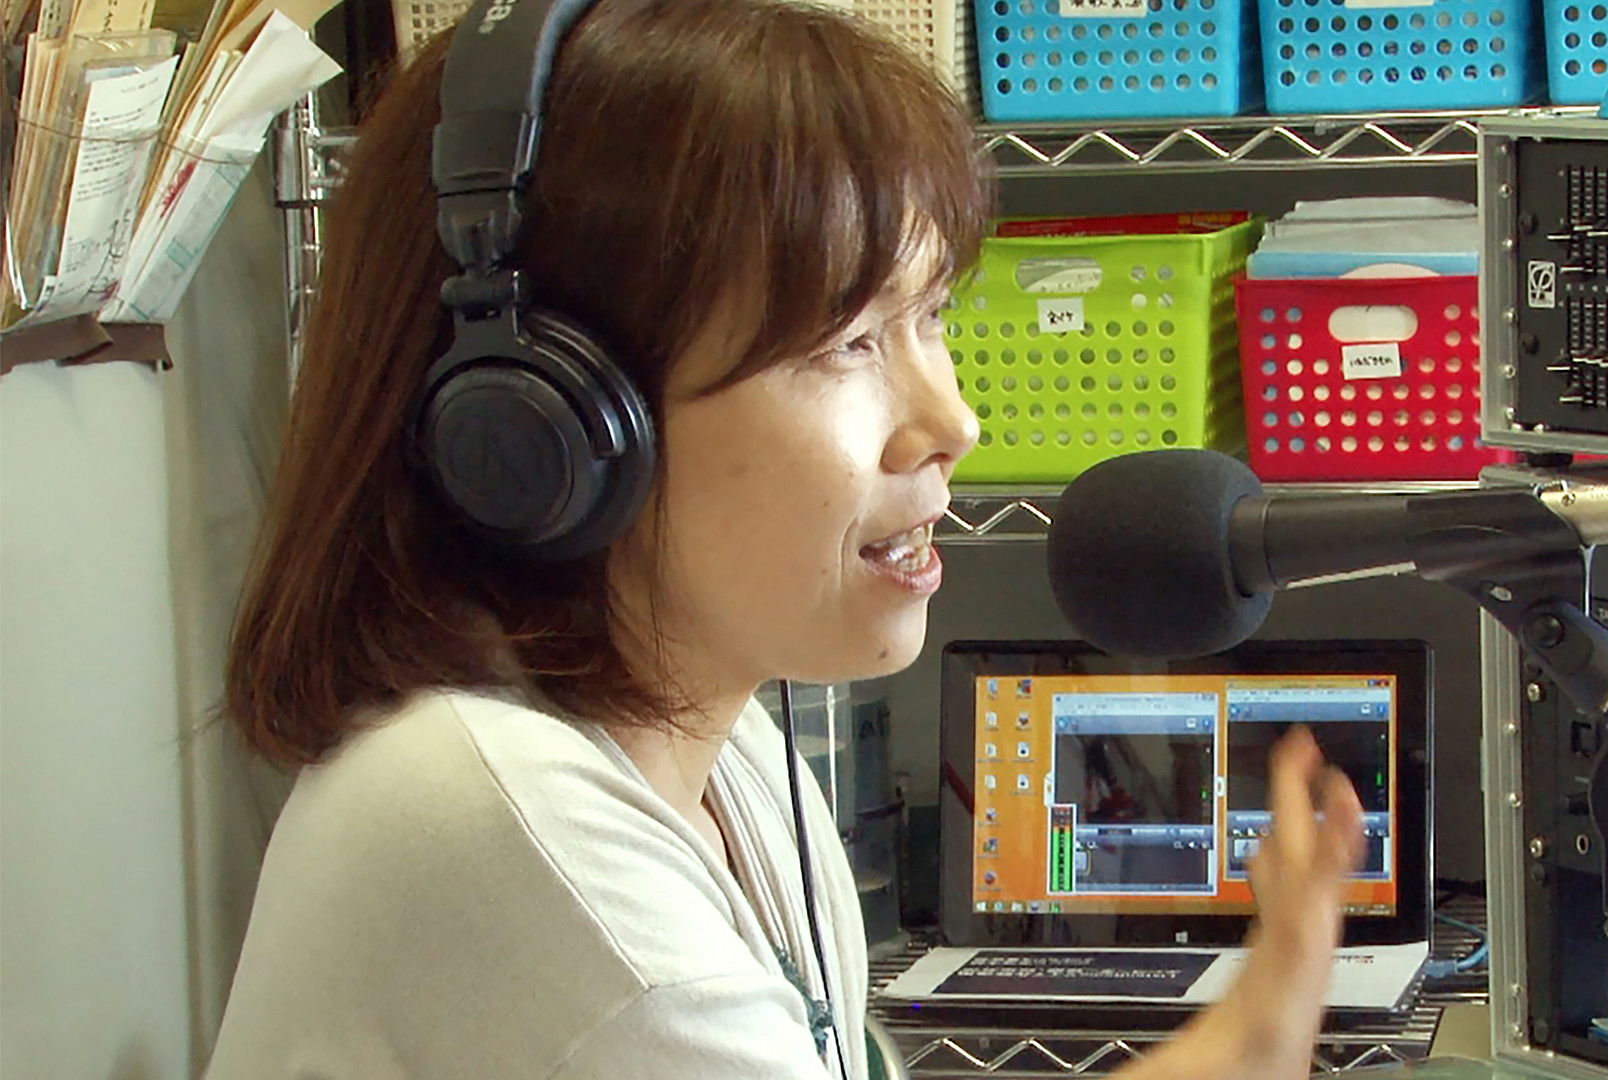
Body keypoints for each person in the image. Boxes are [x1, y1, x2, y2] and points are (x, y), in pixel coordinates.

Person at [206, 0, 1365, 1076]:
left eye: (930, 317)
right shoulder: (518, 833)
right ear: (547, 424)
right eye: (847, 343)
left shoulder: (718, 755)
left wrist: (1261, 1019)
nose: (953, 423)